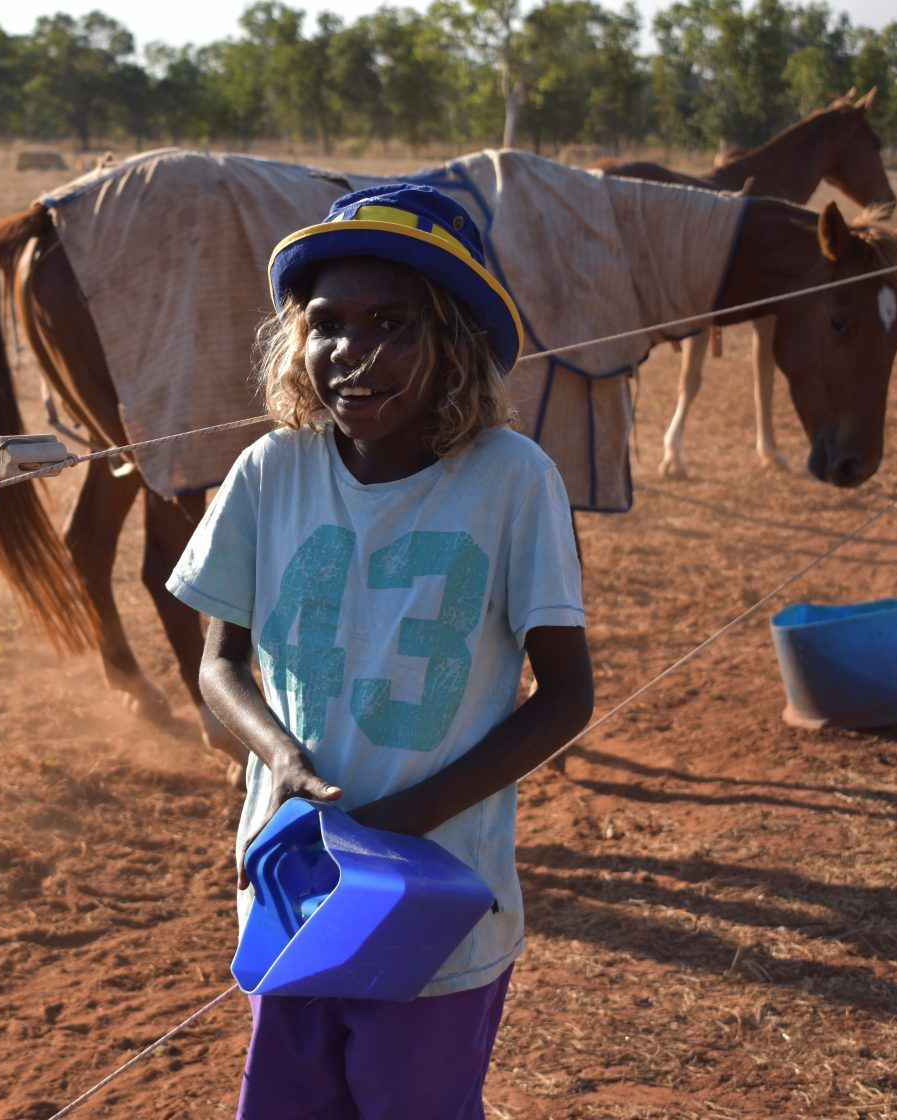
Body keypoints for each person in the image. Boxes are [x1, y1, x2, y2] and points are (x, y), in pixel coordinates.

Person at [165, 183, 594, 1119]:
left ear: (456, 344)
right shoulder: (271, 471)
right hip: (298, 883)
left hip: (436, 893)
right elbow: (218, 663)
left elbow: (565, 696)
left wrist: (405, 821)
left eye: (393, 324)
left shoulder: (512, 482)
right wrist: (279, 759)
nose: (353, 352)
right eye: (327, 324)